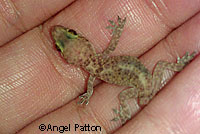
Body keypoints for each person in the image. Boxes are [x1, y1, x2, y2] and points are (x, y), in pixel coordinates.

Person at [0, 0, 199, 133]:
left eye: (70, 33)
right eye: (61, 46)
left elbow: (91, 86)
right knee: (162, 65)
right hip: (144, 81)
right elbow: (114, 43)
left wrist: (88, 95)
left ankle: (126, 111)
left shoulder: (93, 76)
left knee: (124, 96)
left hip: (142, 87)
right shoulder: (101, 59)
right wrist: (119, 28)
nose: (62, 33)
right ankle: (179, 65)